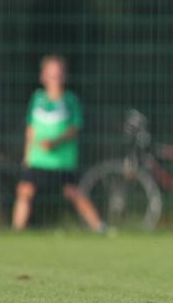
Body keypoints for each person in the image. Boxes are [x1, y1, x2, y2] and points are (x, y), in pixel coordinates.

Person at [11, 55, 105, 233]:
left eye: (58, 73)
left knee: (73, 192)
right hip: (38, 160)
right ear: (43, 76)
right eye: (51, 73)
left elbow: (74, 128)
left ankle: (99, 227)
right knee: (24, 191)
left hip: (62, 161)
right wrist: (27, 155)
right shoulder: (37, 98)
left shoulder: (70, 100)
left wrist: (55, 142)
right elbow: (30, 130)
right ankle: (16, 231)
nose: (55, 77)